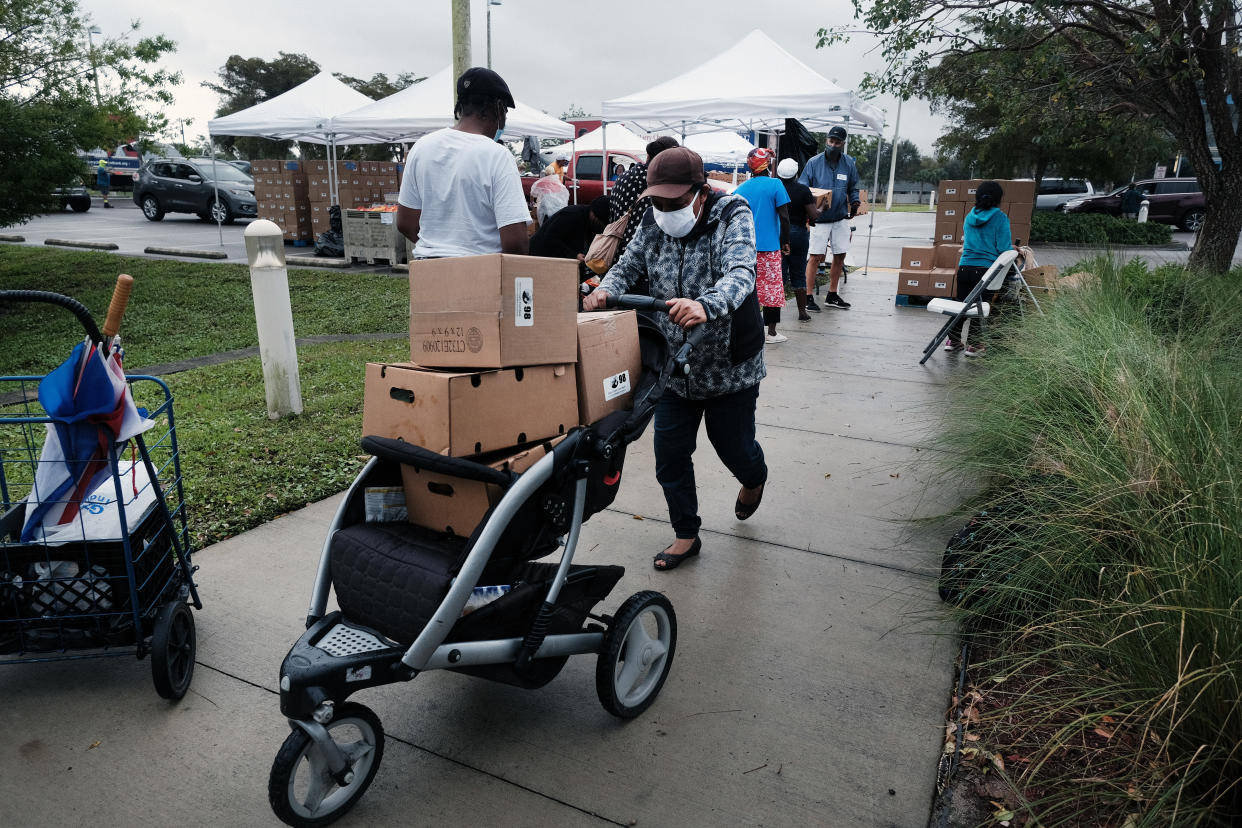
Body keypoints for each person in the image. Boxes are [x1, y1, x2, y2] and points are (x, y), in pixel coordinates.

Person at [583, 147, 767, 572]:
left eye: (675, 202)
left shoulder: (731, 213)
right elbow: (627, 264)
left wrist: (707, 304)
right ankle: (686, 534)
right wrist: (604, 290)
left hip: (728, 366)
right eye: (658, 202)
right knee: (669, 453)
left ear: (700, 192)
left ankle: (754, 478)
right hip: (674, 365)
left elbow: (741, 272)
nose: (665, 211)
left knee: (734, 448)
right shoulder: (653, 218)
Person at [396, 67, 530, 258]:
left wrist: (440, 250)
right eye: (506, 111)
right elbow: (515, 242)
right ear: (498, 108)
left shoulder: (421, 147)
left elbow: (405, 223)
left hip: (428, 270)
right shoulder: (497, 156)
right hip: (481, 271)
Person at [944, 180, 1013, 357]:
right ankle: (974, 345)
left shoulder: (969, 217)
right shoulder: (1000, 218)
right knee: (980, 307)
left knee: (962, 305)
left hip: (964, 268)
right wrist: (1015, 250)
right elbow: (1004, 248)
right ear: (998, 198)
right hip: (985, 271)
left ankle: (953, 340)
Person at [798, 125, 860, 310]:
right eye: (830, 141)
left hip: (840, 217)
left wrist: (855, 201)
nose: (833, 145)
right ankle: (808, 296)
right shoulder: (813, 163)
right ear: (827, 140)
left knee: (840, 255)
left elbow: (854, 186)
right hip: (820, 219)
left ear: (843, 143)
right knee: (815, 257)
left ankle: (832, 294)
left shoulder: (849, 163)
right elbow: (803, 187)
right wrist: (810, 210)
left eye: (837, 142)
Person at [734, 148, 791, 343]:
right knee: (772, 289)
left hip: (746, 247)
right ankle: (772, 333)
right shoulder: (776, 184)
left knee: (749, 287)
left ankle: (748, 329)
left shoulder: (741, 189)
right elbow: (784, 217)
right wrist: (785, 242)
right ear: (768, 163)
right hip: (770, 248)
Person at [608, 136, 681, 269]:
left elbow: (613, 213)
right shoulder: (660, 182)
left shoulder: (623, 177)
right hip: (648, 260)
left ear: (648, 155)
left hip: (618, 253)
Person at [776, 157, 818, 320]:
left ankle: (774, 313)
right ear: (796, 174)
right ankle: (802, 312)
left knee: (778, 274)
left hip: (779, 233)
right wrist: (822, 207)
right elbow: (814, 215)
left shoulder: (775, 188)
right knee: (799, 273)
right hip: (799, 234)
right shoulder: (803, 190)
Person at [529, 195, 610, 278]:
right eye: (600, 222)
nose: (600, 225)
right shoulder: (572, 215)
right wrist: (574, 255)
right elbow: (549, 239)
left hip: (559, 263)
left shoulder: (592, 223)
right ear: (594, 214)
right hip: (539, 257)